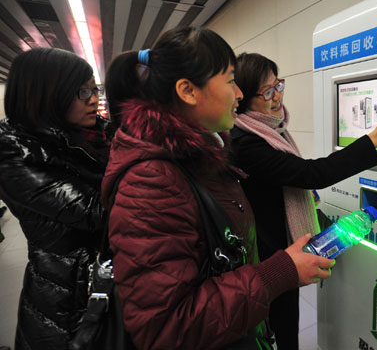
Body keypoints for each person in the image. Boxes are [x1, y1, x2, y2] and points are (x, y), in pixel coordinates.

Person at [102, 26, 334, 350]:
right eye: (229, 80)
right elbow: (166, 329)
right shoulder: (152, 182)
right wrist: (279, 273)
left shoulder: (203, 154)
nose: (238, 94)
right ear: (188, 91)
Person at [230, 52, 377, 349]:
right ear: (245, 98)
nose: (277, 97)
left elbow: (291, 178)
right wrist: (374, 139)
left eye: (279, 85)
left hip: (280, 246)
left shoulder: (271, 130)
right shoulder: (246, 142)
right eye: (267, 92)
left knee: (287, 322)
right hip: (270, 255)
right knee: (281, 327)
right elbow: (310, 173)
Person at [0, 48, 112, 350]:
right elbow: (96, 211)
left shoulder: (97, 135)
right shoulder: (13, 151)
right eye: (82, 91)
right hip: (70, 297)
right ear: (47, 94)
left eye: (94, 89)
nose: (93, 98)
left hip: (113, 278)